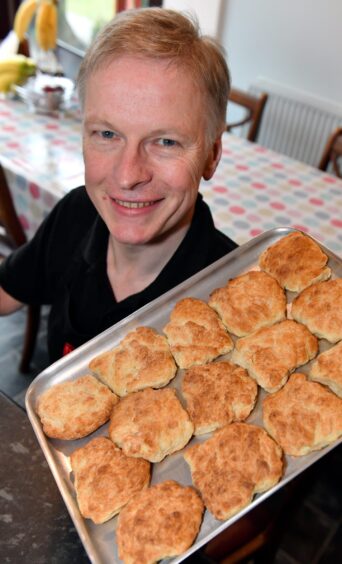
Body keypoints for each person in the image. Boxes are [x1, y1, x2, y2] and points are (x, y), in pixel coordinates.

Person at [0, 7, 237, 363]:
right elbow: (8, 291)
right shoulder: (77, 213)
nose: (128, 176)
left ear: (211, 155)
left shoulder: (233, 301)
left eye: (166, 142)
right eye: (107, 134)